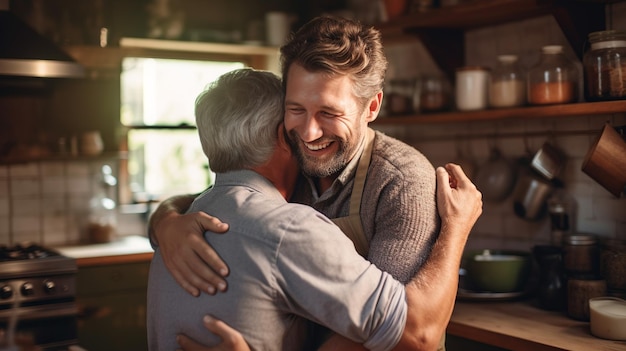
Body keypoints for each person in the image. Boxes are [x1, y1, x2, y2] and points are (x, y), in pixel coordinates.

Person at [149, 15, 481, 349]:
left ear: (372, 107)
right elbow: (225, 199)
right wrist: (167, 221)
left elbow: (405, 333)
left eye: (329, 113)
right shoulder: (292, 162)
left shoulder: (402, 182)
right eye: (296, 109)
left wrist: (457, 227)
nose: (309, 133)